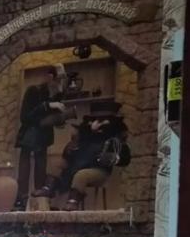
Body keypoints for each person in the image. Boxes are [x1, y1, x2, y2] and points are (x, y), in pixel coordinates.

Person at [31, 101, 132, 210]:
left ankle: (72, 201)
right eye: (95, 120)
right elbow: (71, 154)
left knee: (81, 175)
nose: (97, 123)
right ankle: (49, 192)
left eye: (102, 120)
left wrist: (115, 158)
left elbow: (125, 157)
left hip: (99, 169)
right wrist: (70, 150)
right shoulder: (84, 135)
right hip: (77, 165)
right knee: (58, 166)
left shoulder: (114, 138)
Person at [14, 64, 68, 210]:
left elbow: (54, 118)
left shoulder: (57, 94)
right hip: (29, 136)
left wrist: (60, 118)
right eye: (59, 79)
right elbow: (25, 117)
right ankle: (21, 202)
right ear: (50, 77)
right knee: (24, 171)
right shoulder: (33, 91)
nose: (61, 83)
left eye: (63, 79)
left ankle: (39, 204)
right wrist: (47, 106)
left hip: (43, 138)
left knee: (41, 171)